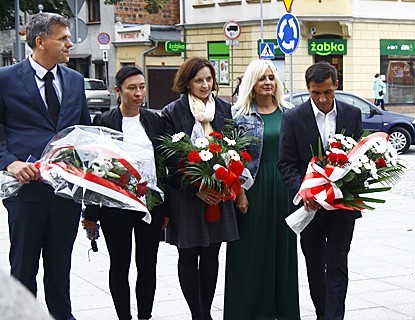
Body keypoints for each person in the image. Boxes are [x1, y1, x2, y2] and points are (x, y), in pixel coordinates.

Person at [0, 12, 91, 320]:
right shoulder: (5, 79)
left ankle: (62, 316)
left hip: (66, 193)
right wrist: (9, 162)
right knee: (24, 266)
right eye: (63, 38)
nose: (70, 43)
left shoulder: (76, 81)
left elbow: (85, 133)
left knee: (61, 265)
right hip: (26, 192)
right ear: (40, 42)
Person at [161, 57, 247, 320]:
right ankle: (196, 313)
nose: (205, 84)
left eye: (209, 79)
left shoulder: (224, 109)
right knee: (188, 254)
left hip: (219, 194)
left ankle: (206, 312)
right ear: (186, 83)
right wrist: (196, 188)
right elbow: (167, 159)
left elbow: (235, 149)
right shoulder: (173, 112)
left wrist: (232, 186)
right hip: (188, 196)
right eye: (199, 80)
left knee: (212, 254)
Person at [79, 66, 166, 320]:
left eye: (141, 87)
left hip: (149, 204)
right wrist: (91, 212)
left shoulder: (154, 120)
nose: (138, 93)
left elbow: (163, 166)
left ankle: (145, 316)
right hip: (115, 206)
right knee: (120, 265)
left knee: (148, 264)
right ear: (117, 91)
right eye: (131, 88)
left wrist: (166, 208)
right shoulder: (105, 122)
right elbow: (96, 170)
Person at [278, 61, 363, 320]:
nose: (323, 98)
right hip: (310, 206)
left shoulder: (352, 114)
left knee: (338, 263)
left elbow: (359, 157)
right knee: (315, 264)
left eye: (327, 92)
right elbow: (286, 163)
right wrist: (304, 189)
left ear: (336, 85)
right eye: (316, 93)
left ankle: (334, 317)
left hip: (342, 205)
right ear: (308, 89)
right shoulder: (293, 118)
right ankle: (321, 313)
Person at [224, 59, 300, 319]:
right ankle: (247, 310)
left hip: (284, 186)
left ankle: (283, 309)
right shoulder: (239, 115)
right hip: (253, 186)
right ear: (251, 84)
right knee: (250, 250)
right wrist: (240, 192)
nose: (267, 82)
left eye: (271, 77)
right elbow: (231, 157)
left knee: (284, 248)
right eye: (261, 78)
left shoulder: (290, 111)